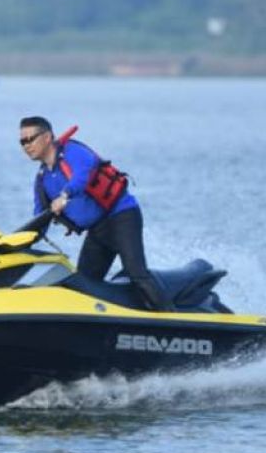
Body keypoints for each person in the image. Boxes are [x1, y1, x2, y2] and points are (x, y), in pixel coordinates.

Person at [18, 115, 170, 311]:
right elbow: (40, 218)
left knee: (137, 273)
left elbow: (83, 175)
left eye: (30, 139)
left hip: (122, 217)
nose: (26, 146)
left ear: (47, 137)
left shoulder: (72, 151)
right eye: (22, 141)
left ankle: (175, 320)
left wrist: (65, 194)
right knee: (84, 285)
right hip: (98, 230)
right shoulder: (42, 180)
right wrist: (17, 243)